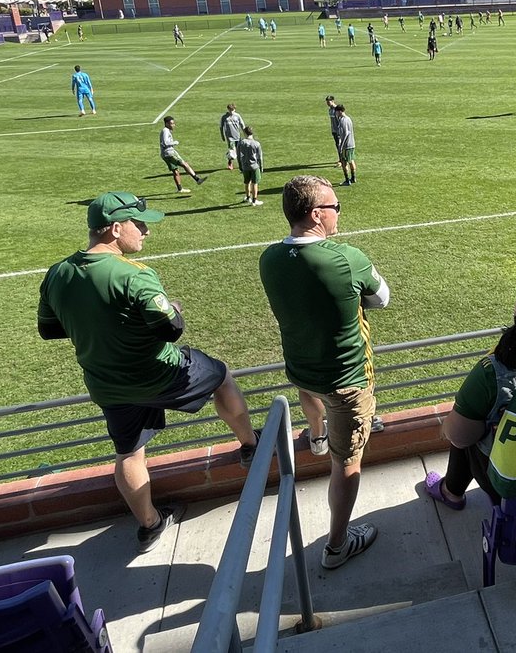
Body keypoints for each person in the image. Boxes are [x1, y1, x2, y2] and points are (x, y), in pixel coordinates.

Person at [37, 192, 258, 553]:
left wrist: (97, 325)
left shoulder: (57, 273)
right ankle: (250, 444)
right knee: (221, 376)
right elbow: (171, 329)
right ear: (114, 228)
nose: (145, 232)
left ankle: (150, 525)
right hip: (161, 373)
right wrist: (173, 307)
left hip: (107, 384)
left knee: (129, 453)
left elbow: (49, 329)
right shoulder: (134, 274)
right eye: (139, 225)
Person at [258, 175, 390, 569]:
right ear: (316, 214)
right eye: (335, 207)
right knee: (346, 463)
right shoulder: (346, 258)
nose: (338, 214)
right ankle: (336, 546)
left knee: (313, 399)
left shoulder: (269, 257)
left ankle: (317, 437)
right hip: (347, 379)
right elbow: (382, 298)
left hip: (302, 369)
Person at [424, 287, 516, 509]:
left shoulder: (491, 371)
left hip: (505, 480)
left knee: (466, 429)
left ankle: (451, 492)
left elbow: (459, 437)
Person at [160, 116, 206, 193]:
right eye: (172, 123)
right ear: (167, 123)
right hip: (170, 153)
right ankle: (197, 179)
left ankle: (180, 189)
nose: (173, 125)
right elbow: (165, 143)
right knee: (185, 165)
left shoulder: (166, 130)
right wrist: (175, 142)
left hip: (165, 154)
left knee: (175, 171)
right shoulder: (165, 131)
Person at [236, 125, 264, 205]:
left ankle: (248, 197)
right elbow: (260, 157)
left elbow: (238, 155)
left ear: (245, 133)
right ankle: (254, 200)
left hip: (245, 166)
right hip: (254, 166)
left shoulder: (241, 143)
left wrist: (240, 165)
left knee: (246, 182)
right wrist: (261, 167)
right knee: (255, 183)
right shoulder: (256, 144)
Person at [334, 104, 357, 185]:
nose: (336, 114)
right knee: (351, 161)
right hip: (352, 144)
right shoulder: (349, 118)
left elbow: (346, 133)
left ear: (340, 111)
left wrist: (341, 145)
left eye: (336, 112)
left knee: (344, 163)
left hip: (346, 146)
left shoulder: (343, 120)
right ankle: (353, 178)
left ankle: (347, 180)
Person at [219, 103, 246, 170]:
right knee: (231, 151)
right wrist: (222, 135)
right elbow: (221, 127)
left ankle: (240, 164)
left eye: (232, 110)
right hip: (230, 138)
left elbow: (242, 125)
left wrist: (245, 134)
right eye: (230, 110)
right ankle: (230, 163)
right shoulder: (224, 117)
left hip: (237, 136)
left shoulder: (237, 116)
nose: (231, 111)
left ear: (235, 109)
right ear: (228, 109)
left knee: (239, 151)